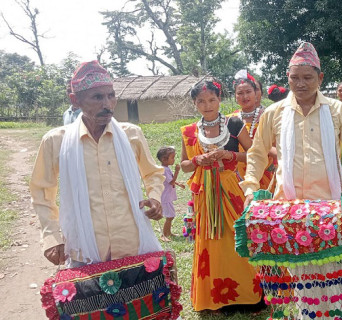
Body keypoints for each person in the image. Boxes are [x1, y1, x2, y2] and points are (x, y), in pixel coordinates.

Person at [241, 42, 342, 320]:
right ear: (287, 78)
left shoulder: (338, 111)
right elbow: (256, 154)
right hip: (290, 213)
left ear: (320, 78)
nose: (300, 84)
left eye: (307, 77)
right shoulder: (274, 113)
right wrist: (251, 188)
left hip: (332, 211)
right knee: (305, 287)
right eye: (294, 78)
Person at [30, 60, 164, 268]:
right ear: (75, 101)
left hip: (132, 243)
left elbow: (153, 173)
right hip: (85, 248)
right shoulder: (55, 141)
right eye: (97, 97)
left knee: (140, 300)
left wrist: (155, 198)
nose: (107, 105)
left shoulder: (131, 135)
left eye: (111, 95)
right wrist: (52, 237)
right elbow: (41, 193)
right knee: (90, 301)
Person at [180, 81, 262, 312]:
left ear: (220, 99)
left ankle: (249, 295)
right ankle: (214, 299)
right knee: (211, 242)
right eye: (201, 101)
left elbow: (254, 154)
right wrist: (197, 161)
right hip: (205, 194)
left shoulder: (234, 124)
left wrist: (230, 155)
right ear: (195, 104)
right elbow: (184, 165)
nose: (207, 105)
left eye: (212, 100)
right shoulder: (190, 131)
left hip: (231, 189)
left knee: (238, 237)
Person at [229, 73, 276, 189]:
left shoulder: (269, 116)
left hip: (265, 170)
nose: (245, 96)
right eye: (240, 93)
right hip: (236, 175)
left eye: (248, 92)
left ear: (256, 94)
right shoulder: (229, 120)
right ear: (235, 96)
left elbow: (278, 146)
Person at [157, 146, 184, 242]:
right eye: (172, 158)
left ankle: (168, 232)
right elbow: (171, 182)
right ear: (164, 159)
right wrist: (177, 171)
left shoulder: (166, 168)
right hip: (165, 197)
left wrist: (178, 184)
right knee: (170, 216)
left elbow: (169, 180)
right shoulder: (164, 169)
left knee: (170, 215)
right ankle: (164, 234)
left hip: (167, 196)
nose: (173, 160)